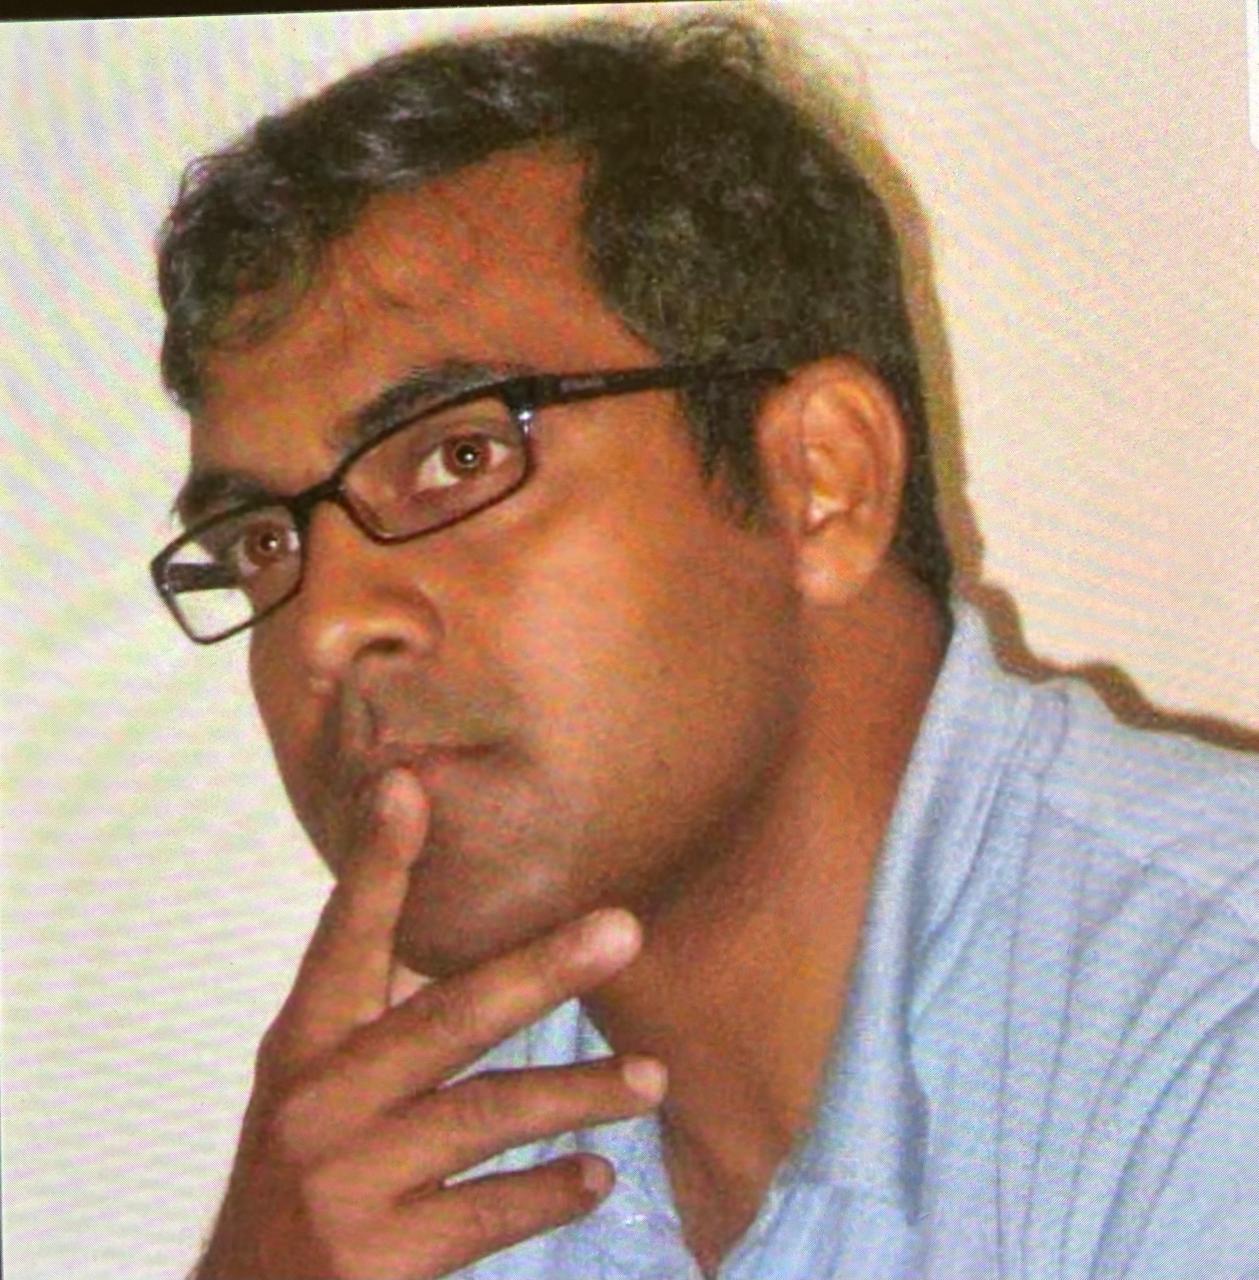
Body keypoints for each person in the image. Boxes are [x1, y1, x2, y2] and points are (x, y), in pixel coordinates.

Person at [147, 13, 1258, 1279]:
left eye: (459, 454)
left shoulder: (1213, 1036)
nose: (328, 624)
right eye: (262, 541)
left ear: (822, 481)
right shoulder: (392, 1173)